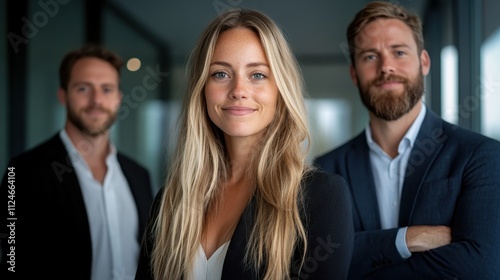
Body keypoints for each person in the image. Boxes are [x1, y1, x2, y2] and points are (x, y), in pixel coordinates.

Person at [135, 9, 354, 280]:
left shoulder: (321, 198)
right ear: (202, 88)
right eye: (220, 74)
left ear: (280, 89)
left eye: (258, 75)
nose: (238, 89)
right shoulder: (170, 201)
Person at [314, 1, 500, 279]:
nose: (386, 67)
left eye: (399, 52)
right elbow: (314, 265)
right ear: (354, 73)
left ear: (424, 62)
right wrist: (407, 239)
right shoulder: (325, 170)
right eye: (369, 56)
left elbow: (481, 267)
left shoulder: (481, 155)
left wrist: (362, 255)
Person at [0, 44, 154, 279]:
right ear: (63, 95)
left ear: (119, 98)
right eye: (83, 88)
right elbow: (12, 264)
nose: (96, 100)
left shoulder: (139, 175)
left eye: (106, 89)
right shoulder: (22, 172)